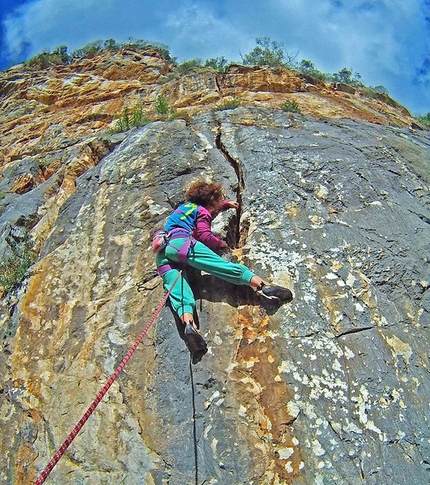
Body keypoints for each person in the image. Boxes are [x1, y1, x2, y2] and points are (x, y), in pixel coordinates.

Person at [154, 181, 293, 363]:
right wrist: (221, 243)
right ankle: (263, 286)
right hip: (181, 244)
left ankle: (189, 325)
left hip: (163, 254)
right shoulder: (202, 211)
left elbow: (209, 206)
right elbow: (204, 235)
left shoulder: (182, 209)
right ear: (210, 201)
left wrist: (225, 204)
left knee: (180, 292)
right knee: (221, 266)